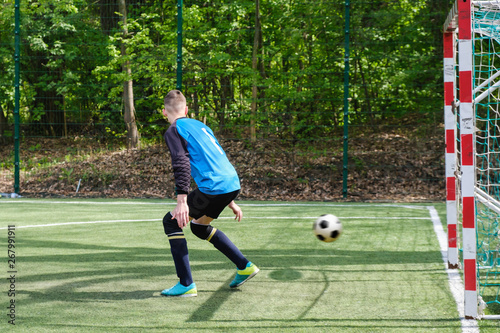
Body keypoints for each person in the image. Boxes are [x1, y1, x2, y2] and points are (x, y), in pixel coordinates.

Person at [160, 89, 259, 297]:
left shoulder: (174, 129)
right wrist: (230, 199)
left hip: (214, 186)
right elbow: (217, 157)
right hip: (230, 183)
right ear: (186, 109)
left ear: (164, 112)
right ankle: (244, 266)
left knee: (170, 221)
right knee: (198, 227)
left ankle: (186, 284)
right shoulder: (201, 126)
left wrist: (182, 200)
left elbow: (180, 162)